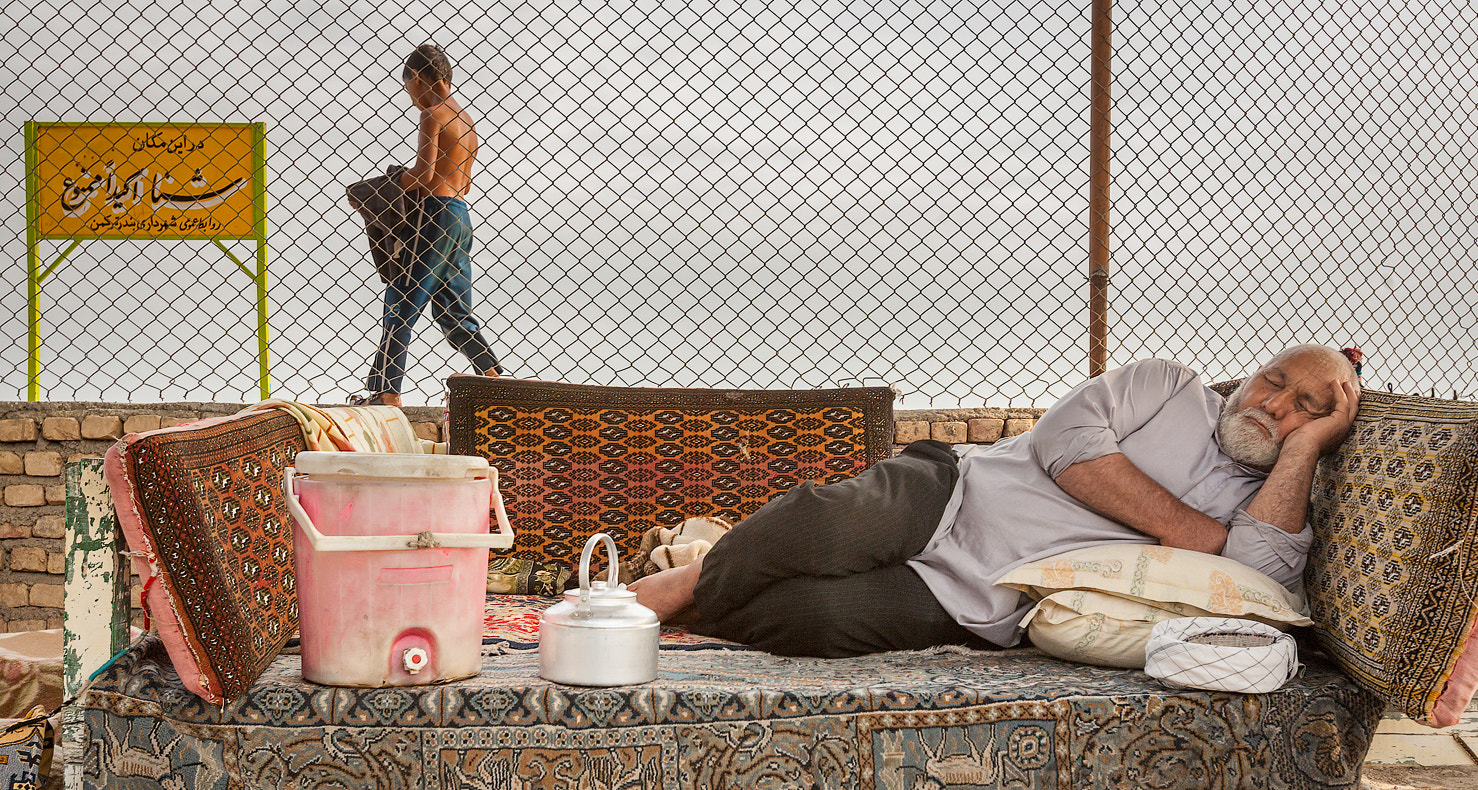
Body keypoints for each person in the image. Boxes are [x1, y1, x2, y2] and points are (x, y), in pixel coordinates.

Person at [630, 345, 1360, 657]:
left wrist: (1301, 453)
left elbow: (1258, 577)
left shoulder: (1277, 499)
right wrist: (1189, 529)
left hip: (984, 598)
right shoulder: (1170, 386)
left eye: (1305, 407)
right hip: (955, 489)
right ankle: (685, 581)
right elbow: (1064, 442)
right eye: (1273, 380)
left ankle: (710, 577)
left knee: (813, 620)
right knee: (827, 524)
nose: (1273, 405)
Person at [351, 43, 504, 407]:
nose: (411, 98)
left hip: (432, 216)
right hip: (460, 215)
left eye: (408, 88)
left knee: (402, 296)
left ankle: (386, 392)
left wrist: (383, 186)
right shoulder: (467, 121)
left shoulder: (433, 114)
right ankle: (493, 377)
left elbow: (424, 174)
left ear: (418, 78)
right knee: (454, 308)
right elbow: (463, 182)